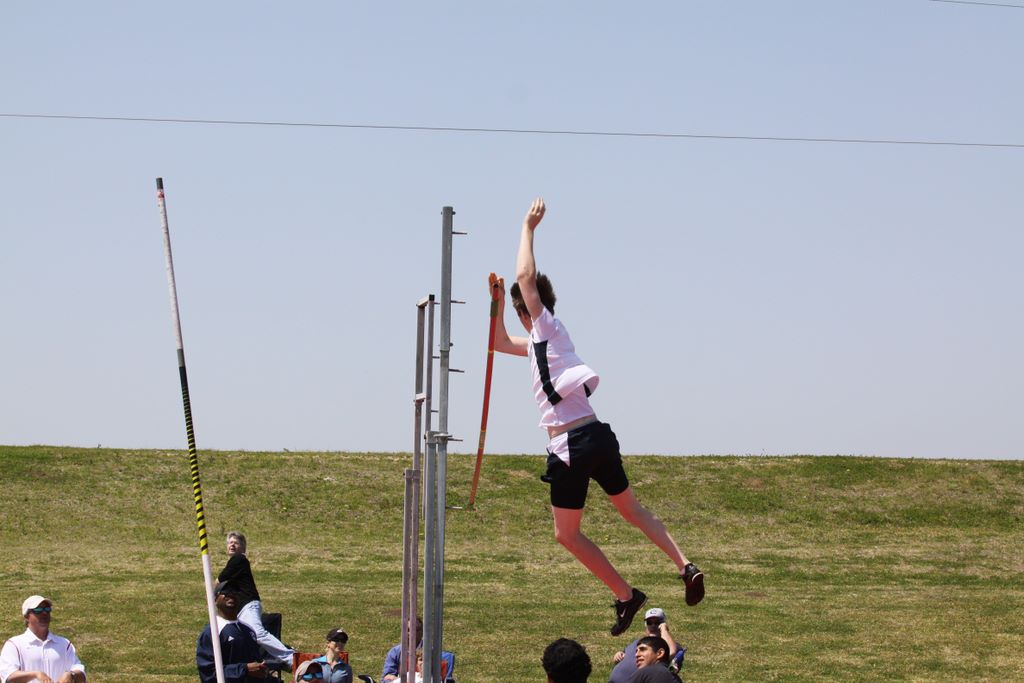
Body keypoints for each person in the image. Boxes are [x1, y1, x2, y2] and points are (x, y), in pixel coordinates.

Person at [492, 198, 705, 635]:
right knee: (631, 510)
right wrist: (495, 302)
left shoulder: (546, 325)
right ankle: (685, 566)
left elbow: (526, 277)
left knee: (567, 535)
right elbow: (497, 342)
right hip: (597, 436)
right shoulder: (541, 342)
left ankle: (626, 595)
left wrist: (527, 227)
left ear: (530, 308)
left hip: (570, 444)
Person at [217, 531, 295, 667]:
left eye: (236, 543)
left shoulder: (239, 559)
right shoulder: (234, 564)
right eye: (230, 542)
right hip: (241, 609)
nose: (232, 545)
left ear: (243, 547)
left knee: (258, 633)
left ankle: (292, 658)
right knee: (245, 638)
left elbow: (219, 581)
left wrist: (211, 593)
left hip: (248, 605)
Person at [0, 595, 86, 683]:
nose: (44, 613)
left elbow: (82, 675)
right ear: (26, 616)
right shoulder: (14, 645)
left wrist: (71, 675)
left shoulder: (64, 644)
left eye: (47, 609)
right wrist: (35, 674)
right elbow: (8, 676)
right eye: (38, 610)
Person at [196, 581, 268, 683]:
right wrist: (244, 669)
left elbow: (256, 663)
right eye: (225, 592)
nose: (231, 595)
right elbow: (208, 673)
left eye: (235, 592)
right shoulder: (212, 632)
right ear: (215, 599)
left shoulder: (248, 630)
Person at [609, 608, 679, 683]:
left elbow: (671, 653)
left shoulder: (671, 646)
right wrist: (618, 655)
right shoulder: (637, 642)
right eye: (649, 622)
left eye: (657, 622)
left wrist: (664, 630)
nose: (653, 625)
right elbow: (625, 656)